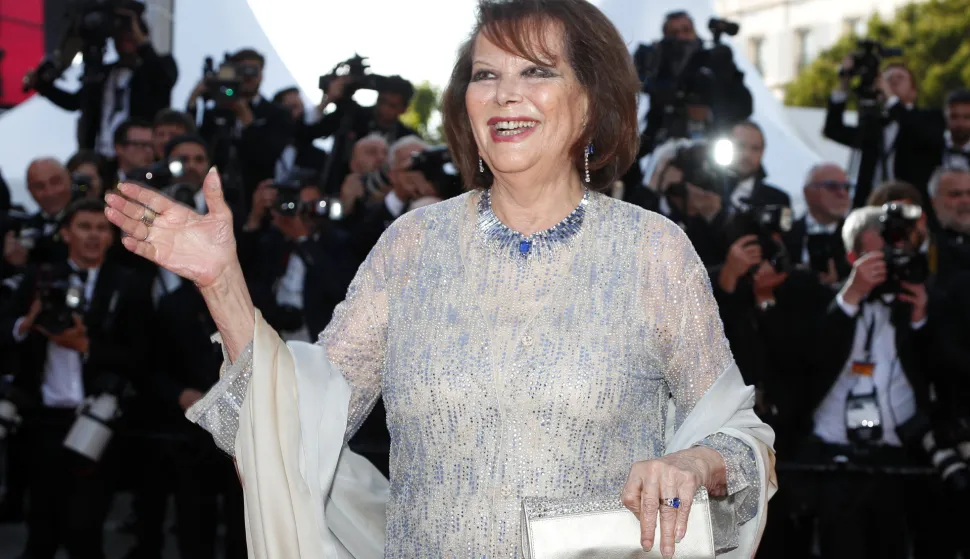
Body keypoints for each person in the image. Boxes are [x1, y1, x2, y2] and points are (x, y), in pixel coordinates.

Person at [103, 1, 775, 557]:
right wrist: (222, 283)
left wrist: (692, 463)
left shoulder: (653, 250)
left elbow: (744, 443)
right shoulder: (412, 245)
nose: (506, 93)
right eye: (486, 75)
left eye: (537, 71)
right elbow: (287, 426)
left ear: (592, 101)